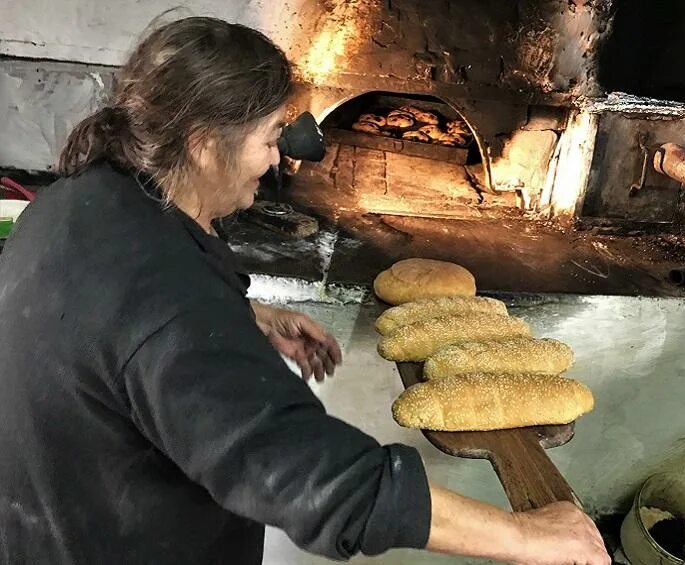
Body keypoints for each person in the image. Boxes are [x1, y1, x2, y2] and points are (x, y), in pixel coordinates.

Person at [0, 16, 609, 565]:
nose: (274, 161)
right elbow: (312, 477)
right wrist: (530, 537)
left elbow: (113, 333)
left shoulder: (80, 202)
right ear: (203, 143)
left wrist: (238, 315)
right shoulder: (168, 305)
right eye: (269, 138)